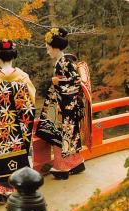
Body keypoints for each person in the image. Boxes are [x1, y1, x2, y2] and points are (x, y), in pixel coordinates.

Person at [0, 39, 36, 204]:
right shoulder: (23, 77)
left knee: (1, 158)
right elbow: (31, 101)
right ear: (14, 56)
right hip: (20, 127)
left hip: (1, 128)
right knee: (23, 155)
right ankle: (23, 190)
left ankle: (2, 192)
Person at [35, 27, 86, 180]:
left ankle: (62, 167)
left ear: (55, 47)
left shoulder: (64, 62)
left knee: (59, 137)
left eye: (48, 48)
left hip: (65, 108)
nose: (47, 51)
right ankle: (76, 163)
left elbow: (76, 82)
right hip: (67, 106)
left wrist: (57, 83)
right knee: (71, 136)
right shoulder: (63, 61)